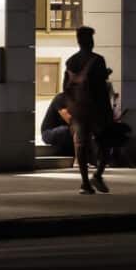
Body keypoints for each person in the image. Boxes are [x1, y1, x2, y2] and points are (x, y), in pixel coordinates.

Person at [63, 26, 113, 195]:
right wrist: (108, 112)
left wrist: (71, 107)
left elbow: (66, 88)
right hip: (96, 109)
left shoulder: (70, 61)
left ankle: (85, 183)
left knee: (81, 145)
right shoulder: (98, 60)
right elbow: (100, 89)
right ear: (90, 41)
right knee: (106, 142)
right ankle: (97, 175)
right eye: (91, 39)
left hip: (78, 109)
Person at [40, 92, 74, 156]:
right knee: (69, 130)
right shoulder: (61, 98)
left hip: (64, 131)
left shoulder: (78, 100)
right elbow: (70, 120)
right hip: (48, 133)